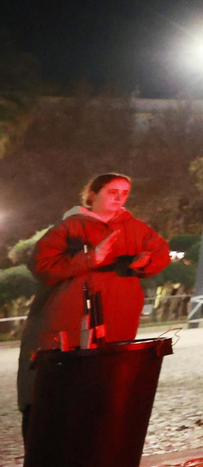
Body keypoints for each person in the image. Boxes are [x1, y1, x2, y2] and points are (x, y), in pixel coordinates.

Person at [16, 173, 172, 439]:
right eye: (113, 191)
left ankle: (96, 465)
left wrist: (145, 261)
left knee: (105, 391)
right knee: (52, 392)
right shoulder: (68, 228)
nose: (120, 198)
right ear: (92, 194)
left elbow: (161, 253)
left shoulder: (135, 228)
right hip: (66, 323)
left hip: (117, 322)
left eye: (125, 192)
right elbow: (41, 266)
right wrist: (90, 258)